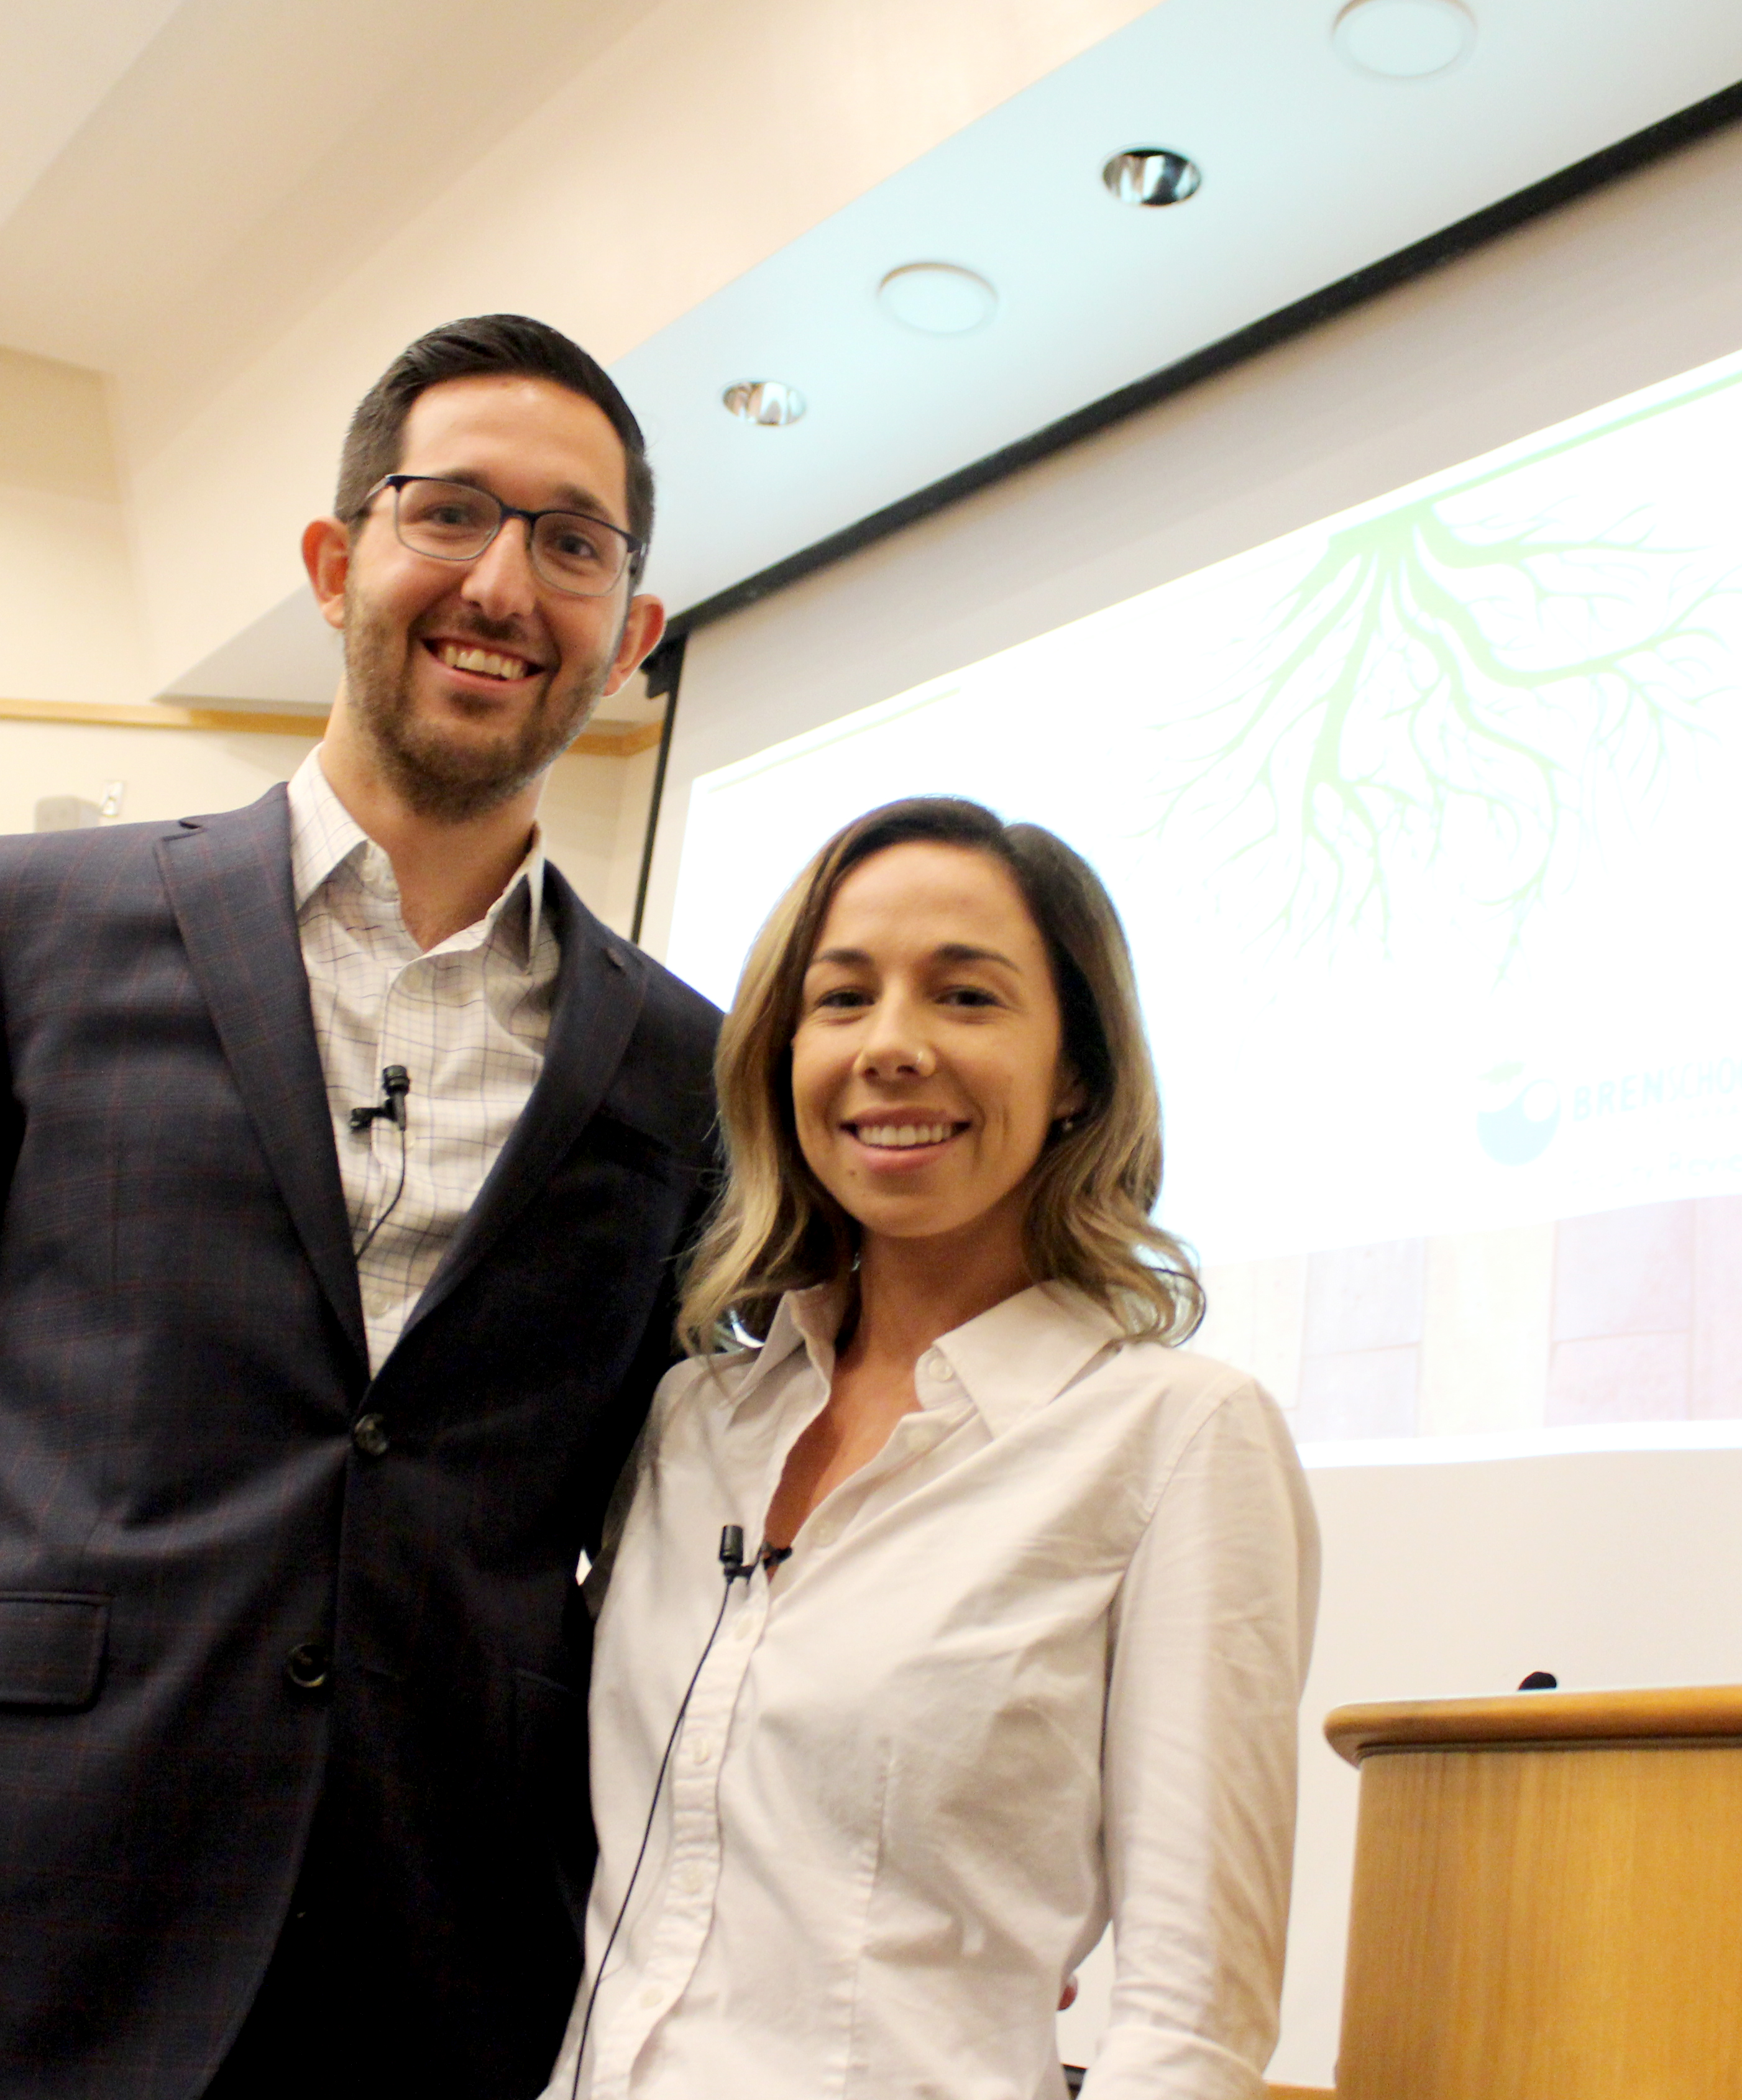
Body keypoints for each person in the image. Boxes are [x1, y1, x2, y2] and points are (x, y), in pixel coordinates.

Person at [0, 315, 722, 2100]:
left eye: (574, 543)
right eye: (451, 513)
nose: (503, 581)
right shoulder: (32, 925)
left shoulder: (686, 1069)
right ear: (336, 565)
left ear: (631, 638)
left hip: (417, 1978)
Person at [549, 798, 1318, 2100]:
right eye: (841, 1000)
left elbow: (1191, 2027)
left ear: (1077, 1068)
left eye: (966, 998)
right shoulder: (691, 1424)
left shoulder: (1179, 1440)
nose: (892, 1047)